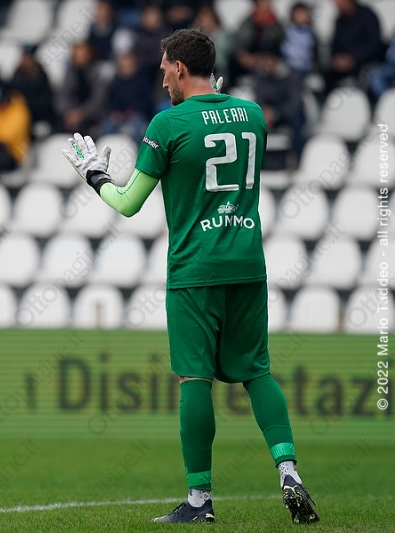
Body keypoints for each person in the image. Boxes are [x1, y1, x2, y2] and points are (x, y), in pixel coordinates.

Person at [62, 29, 319, 525]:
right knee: (257, 371)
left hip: (195, 267)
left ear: (179, 67)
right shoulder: (253, 114)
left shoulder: (168, 123)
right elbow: (225, 137)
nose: (162, 80)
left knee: (194, 378)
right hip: (247, 262)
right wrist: (214, 103)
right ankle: (288, 471)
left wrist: (95, 176)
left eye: (164, 69)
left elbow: (129, 203)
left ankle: (200, 501)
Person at [253, 46, 306, 160]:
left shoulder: (292, 76)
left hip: (288, 114)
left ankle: (299, 159)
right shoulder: (260, 75)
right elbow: (258, 98)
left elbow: (294, 104)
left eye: (268, 60)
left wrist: (276, 113)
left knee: (296, 123)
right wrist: (264, 113)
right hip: (268, 115)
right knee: (252, 123)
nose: (266, 64)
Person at [326, 0, 382, 92]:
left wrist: (353, 59)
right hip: (344, 64)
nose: (338, 4)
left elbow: (374, 44)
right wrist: (337, 60)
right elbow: (335, 45)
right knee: (327, 76)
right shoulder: (339, 21)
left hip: (366, 62)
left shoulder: (367, 15)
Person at [101, 51, 153, 144]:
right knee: (107, 126)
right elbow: (111, 100)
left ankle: (139, 151)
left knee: (137, 128)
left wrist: (132, 111)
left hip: (137, 114)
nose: (126, 68)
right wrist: (117, 112)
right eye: (123, 66)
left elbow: (146, 101)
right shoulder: (116, 82)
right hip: (119, 114)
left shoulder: (142, 81)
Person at [57, 41, 109, 134]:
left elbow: (98, 100)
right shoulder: (70, 72)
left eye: (83, 54)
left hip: (92, 116)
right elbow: (63, 95)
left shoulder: (97, 72)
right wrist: (68, 113)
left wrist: (81, 114)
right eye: (77, 54)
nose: (80, 57)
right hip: (70, 115)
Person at [230, 0, 285, 84]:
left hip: (267, 60)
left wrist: (261, 60)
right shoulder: (247, 23)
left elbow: (278, 49)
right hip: (248, 59)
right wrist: (243, 56)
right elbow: (238, 44)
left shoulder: (277, 27)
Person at [11, 44, 57, 134]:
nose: (25, 60)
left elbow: (45, 99)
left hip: (37, 114)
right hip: (20, 112)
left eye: (28, 57)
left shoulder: (40, 75)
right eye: (24, 57)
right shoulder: (17, 74)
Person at [281, 2, 317, 77]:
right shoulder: (285, 32)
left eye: (303, 13)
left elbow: (315, 54)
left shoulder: (312, 34)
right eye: (298, 13)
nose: (300, 16)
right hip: (288, 70)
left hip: (307, 70)